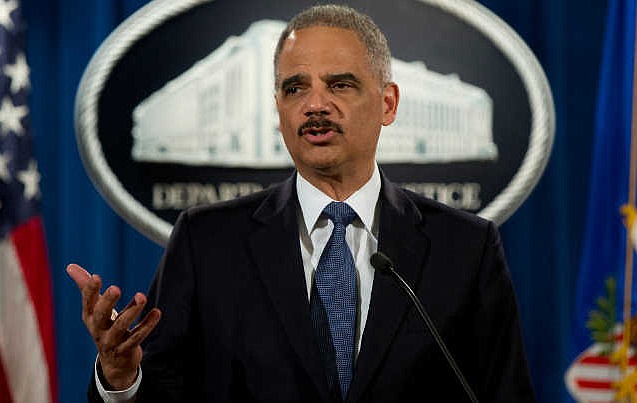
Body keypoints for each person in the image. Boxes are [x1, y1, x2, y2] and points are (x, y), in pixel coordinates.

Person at [68, 4, 536, 402]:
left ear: (388, 103)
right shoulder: (206, 243)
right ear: (279, 108)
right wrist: (121, 378)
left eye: (340, 85)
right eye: (295, 88)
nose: (315, 104)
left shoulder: (465, 248)